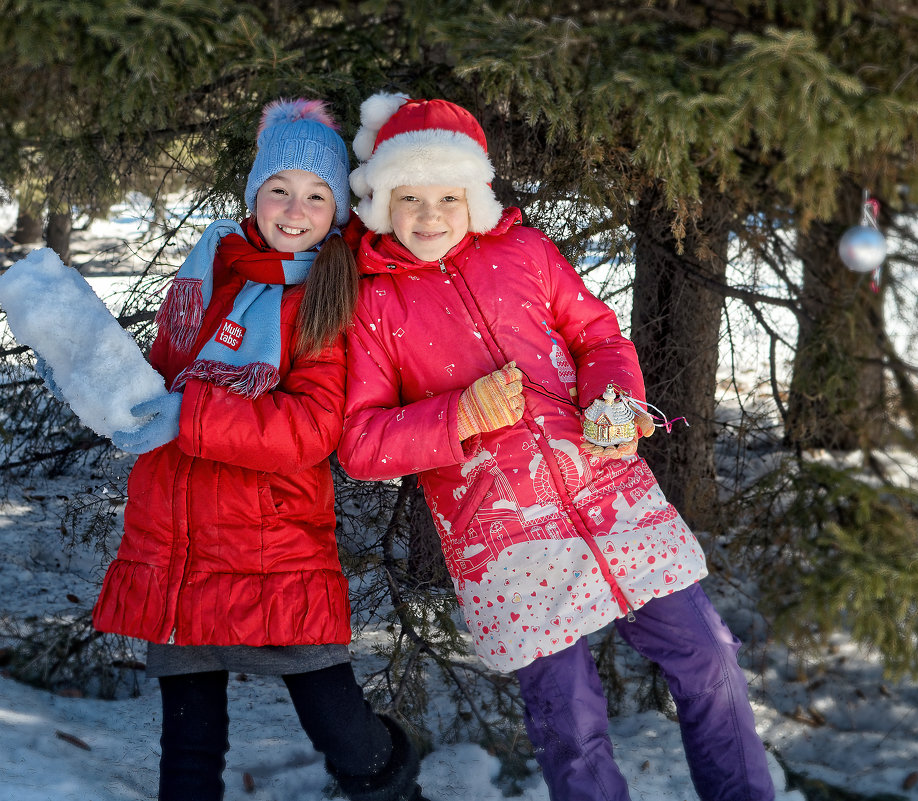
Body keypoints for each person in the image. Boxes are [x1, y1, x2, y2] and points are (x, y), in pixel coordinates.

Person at [338, 92, 776, 801]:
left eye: (447, 195)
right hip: (505, 537)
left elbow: (598, 337)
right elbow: (359, 442)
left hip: (607, 493)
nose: (428, 215)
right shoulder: (372, 302)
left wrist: (615, 399)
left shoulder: (525, 251)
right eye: (408, 196)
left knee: (710, 659)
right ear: (381, 202)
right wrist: (460, 414)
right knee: (569, 718)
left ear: (474, 196)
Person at [90, 98, 426, 801]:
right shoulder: (211, 271)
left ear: (335, 209)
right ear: (254, 196)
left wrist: (191, 414)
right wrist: (117, 392)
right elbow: (165, 376)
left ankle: (396, 785)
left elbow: (307, 429)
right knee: (187, 743)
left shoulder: (325, 300)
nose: (294, 208)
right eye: (278, 189)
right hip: (179, 540)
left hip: (273, 547)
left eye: (314, 194)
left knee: (343, 733)